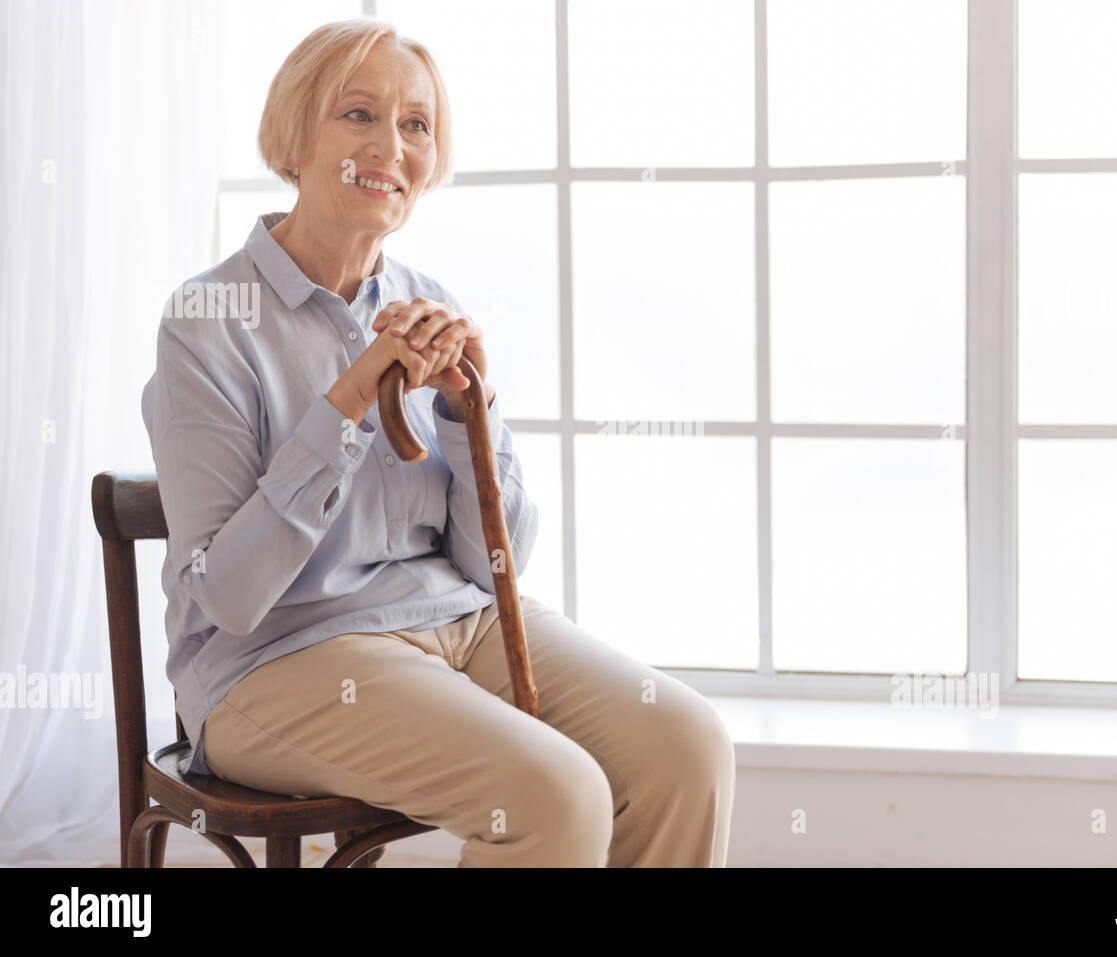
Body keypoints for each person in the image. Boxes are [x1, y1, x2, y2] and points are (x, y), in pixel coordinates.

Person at [140, 18, 733, 867]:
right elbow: (230, 599)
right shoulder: (206, 324)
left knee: (687, 747)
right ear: (296, 132)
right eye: (358, 114)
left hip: (456, 622)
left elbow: (497, 562)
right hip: (276, 663)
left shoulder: (428, 304)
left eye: (416, 124)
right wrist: (344, 401)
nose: (392, 145)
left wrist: (469, 413)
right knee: (557, 795)